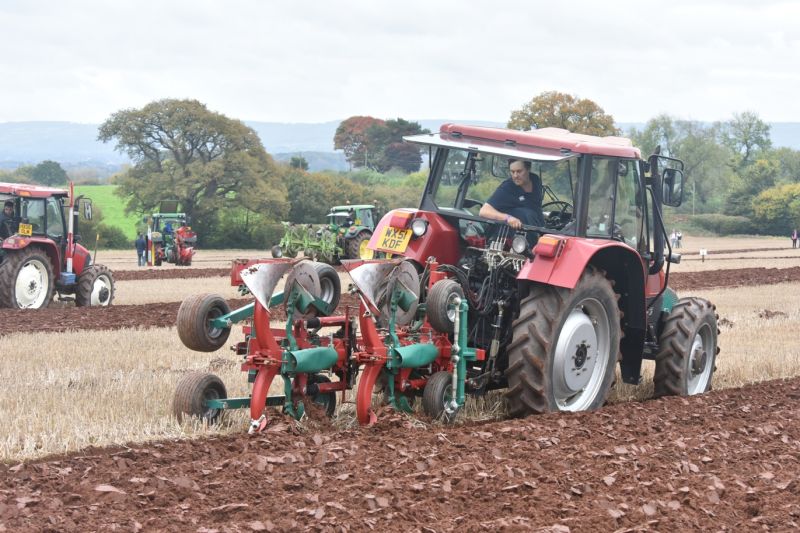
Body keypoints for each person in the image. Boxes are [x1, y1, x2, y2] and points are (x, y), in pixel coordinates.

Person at [479, 159, 544, 230]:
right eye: (512, 172)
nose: (515, 175)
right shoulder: (507, 188)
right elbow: (483, 211)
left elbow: (535, 206)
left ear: (528, 169)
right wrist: (508, 218)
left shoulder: (536, 180)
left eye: (519, 171)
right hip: (514, 234)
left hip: (539, 229)